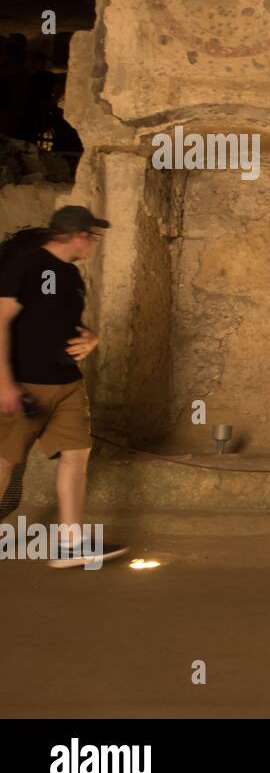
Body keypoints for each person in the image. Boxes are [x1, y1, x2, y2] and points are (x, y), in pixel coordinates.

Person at [0, 206, 128, 568]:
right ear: (78, 235)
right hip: (27, 382)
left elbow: (69, 325)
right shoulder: (25, 265)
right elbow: (1, 322)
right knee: (5, 460)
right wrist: (4, 383)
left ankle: (71, 544)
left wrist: (91, 338)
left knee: (76, 455)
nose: (93, 243)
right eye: (92, 235)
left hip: (68, 383)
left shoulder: (71, 275)